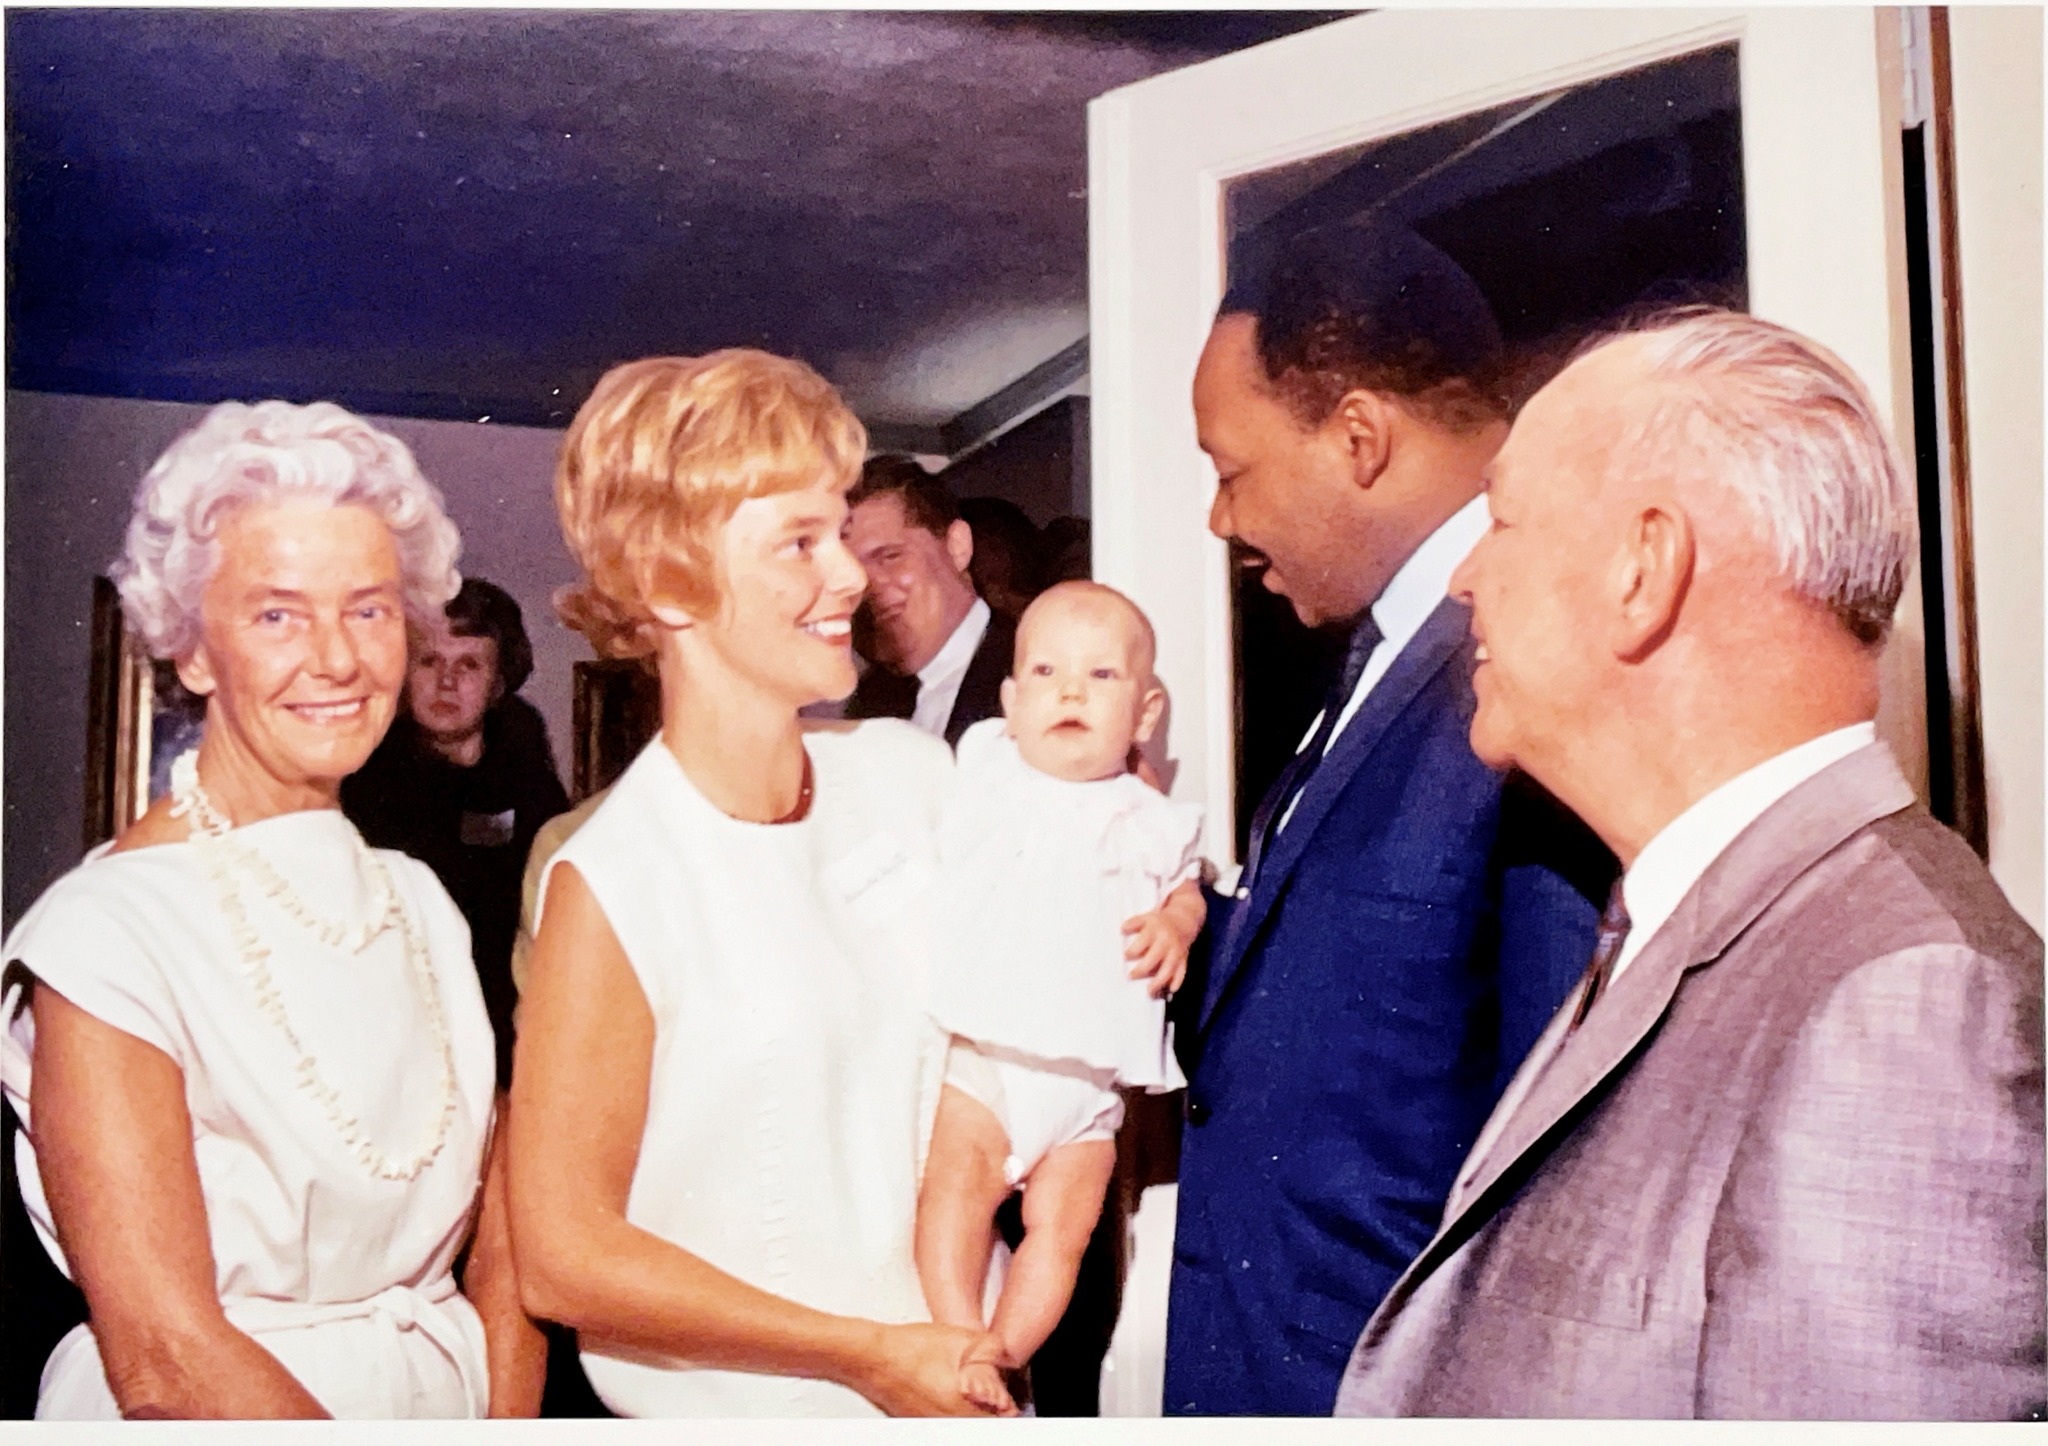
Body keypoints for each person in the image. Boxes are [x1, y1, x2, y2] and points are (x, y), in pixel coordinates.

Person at [1335, 309, 2045, 1420]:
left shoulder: (1900, 1002)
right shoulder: (1687, 916)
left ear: (1642, 570)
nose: (1465, 578)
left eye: (1503, 521)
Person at [0, 401, 537, 1418]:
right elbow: (163, 1357)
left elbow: (503, 1253)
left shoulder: (419, 903)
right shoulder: (104, 935)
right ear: (193, 650)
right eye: (277, 613)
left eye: (370, 608)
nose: (336, 660)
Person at [505, 350, 1011, 1417]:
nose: (847, 577)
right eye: (798, 542)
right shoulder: (615, 880)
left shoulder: (912, 779)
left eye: (839, 532)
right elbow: (560, 1254)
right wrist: (864, 1353)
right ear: (669, 581)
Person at [1165, 220, 1611, 1416]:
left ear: (1357, 438)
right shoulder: (1376, 654)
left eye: (1228, 470)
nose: (1218, 521)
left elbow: (1553, 1169)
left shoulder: (1528, 676)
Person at [915, 582, 1203, 1408]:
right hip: (989, 1062)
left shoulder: (1151, 816)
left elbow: (1184, 889)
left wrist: (1177, 925)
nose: (1070, 690)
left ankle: (1002, 1351)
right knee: (953, 1200)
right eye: (1045, 671)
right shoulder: (988, 762)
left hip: (1087, 1096)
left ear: (1143, 715)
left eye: (1101, 676)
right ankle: (955, 1332)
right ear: (1008, 703)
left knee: (1065, 1234)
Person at [344, 578, 570, 1089]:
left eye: (468, 664)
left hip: (511, 1037)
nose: (446, 682)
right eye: (429, 662)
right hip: (399, 1044)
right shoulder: (361, 782)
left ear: (497, 683)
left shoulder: (528, 772)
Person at [843, 457, 1015, 745]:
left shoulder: (1031, 670)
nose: (869, 586)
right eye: (855, 569)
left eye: (890, 556)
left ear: (957, 546)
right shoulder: (871, 699)